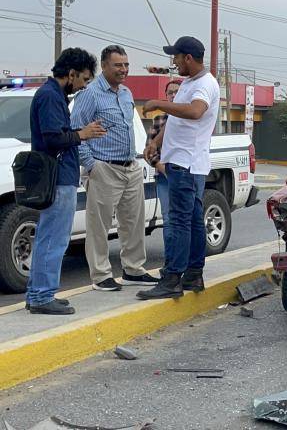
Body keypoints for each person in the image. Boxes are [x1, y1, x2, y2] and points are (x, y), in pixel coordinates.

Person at [137, 36, 220, 300]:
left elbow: (195, 112)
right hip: (181, 162)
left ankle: (172, 278)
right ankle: (194, 275)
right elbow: (177, 120)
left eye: (176, 56)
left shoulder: (205, 84)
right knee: (193, 221)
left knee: (180, 222)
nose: (173, 62)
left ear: (188, 58)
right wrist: (157, 142)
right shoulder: (189, 83)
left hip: (186, 164)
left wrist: (159, 103)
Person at [27, 48, 106, 315]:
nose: (84, 86)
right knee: (54, 239)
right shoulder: (50, 96)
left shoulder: (54, 95)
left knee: (48, 237)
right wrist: (82, 134)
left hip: (60, 176)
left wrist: (79, 134)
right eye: (83, 79)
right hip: (58, 178)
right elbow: (52, 138)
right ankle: (41, 296)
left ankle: (38, 293)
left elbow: (59, 133)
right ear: (70, 74)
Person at [72, 45, 158, 291]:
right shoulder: (90, 94)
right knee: (98, 225)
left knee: (133, 222)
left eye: (126, 65)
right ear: (104, 66)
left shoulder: (126, 93)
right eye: (118, 65)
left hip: (130, 166)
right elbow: (76, 131)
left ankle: (133, 270)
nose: (124, 70)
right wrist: (92, 165)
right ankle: (100, 276)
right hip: (104, 168)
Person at [147, 79, 181, 223]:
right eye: (170, 93)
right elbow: (149, 151)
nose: (173, 95)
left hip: (187, 175)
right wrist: (164, 170)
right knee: (168, 218)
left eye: (177, 92)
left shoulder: (192, 118)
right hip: (164, 177)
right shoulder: (159, 120)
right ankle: (171, 247)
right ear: (166, 96)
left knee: (187, 217)